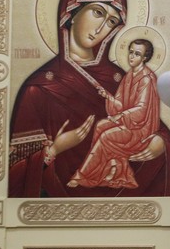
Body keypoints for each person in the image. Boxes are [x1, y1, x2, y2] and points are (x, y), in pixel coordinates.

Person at [8, 0, 170, 198]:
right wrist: (55, 149)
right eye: (97, 13)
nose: (101, 28)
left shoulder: (119, 77)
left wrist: (160, 142)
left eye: (112, 22)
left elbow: (149, 119)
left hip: (123, 204)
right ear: (71, 12)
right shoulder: (38, 88)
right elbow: (14, 175)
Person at [67, 38, 160, 189]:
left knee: (106, 136)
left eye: (137, 54)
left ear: (144, 58)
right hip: (128, 123)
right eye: (131, 52)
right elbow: (120, 105)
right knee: (100, 126)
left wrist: (121, 116)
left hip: (140, 129)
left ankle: (82, 175)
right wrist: (108, 96)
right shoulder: (129, 76)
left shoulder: (146, 79)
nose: (132, 56)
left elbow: (142, 110)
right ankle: (104, 172)